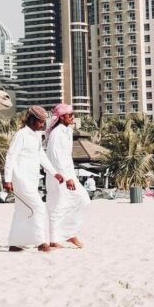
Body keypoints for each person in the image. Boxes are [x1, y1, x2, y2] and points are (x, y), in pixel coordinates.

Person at [3, 105, 65, 253]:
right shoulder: (21, 134)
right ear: (31, 120)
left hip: (32, 178)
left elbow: (41, 156)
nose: (42, 125)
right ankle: (41, 242)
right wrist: (7, 179)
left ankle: (15, 244)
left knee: (22, 210)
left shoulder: (36, 135)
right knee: (38, 207)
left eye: (43, 122)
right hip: (20, 178)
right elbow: (10, 156)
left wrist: (54, 172)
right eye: (40, 122)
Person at [45, 103, 89, 248]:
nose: (73, 117)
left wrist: (70, 175)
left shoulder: (67, 131)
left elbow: (66, 157)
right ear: (62, 117)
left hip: (68, 174)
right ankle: (54, 239)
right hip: (59, 175)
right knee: (58, 205)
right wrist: (66, 177)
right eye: (70, 115)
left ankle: (69, 233)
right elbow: (56, 157)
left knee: (83, 200)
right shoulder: (57, 133)